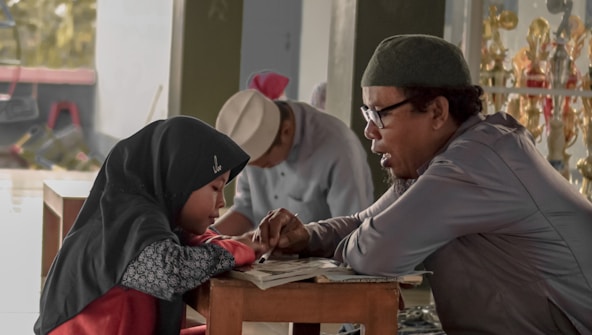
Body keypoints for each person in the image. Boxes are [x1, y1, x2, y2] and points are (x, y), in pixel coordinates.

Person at [255, 34, 592, 334]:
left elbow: (378, 252)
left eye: (380, 114)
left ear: (436, 112)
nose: (370, 131)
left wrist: (353, 245)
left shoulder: (476, 160)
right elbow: (364, 224)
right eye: (367, 113)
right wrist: (307, 237)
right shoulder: (439, 163)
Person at [34, 116, 263, 335]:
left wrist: (254, 243)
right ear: (181, 179)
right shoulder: (132, 221)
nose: (222, 201)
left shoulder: (149, 218)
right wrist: (240, 249)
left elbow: (191, 240)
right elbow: (171, 274)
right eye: (215, 187)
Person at [212, 89, 374, 236]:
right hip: (267, 260)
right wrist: (205, 239)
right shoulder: (254, 141)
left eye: (265, 163)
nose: (257, 169)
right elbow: (245, 210)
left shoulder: (338, 148)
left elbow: (352, 230)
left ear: (286, 132)